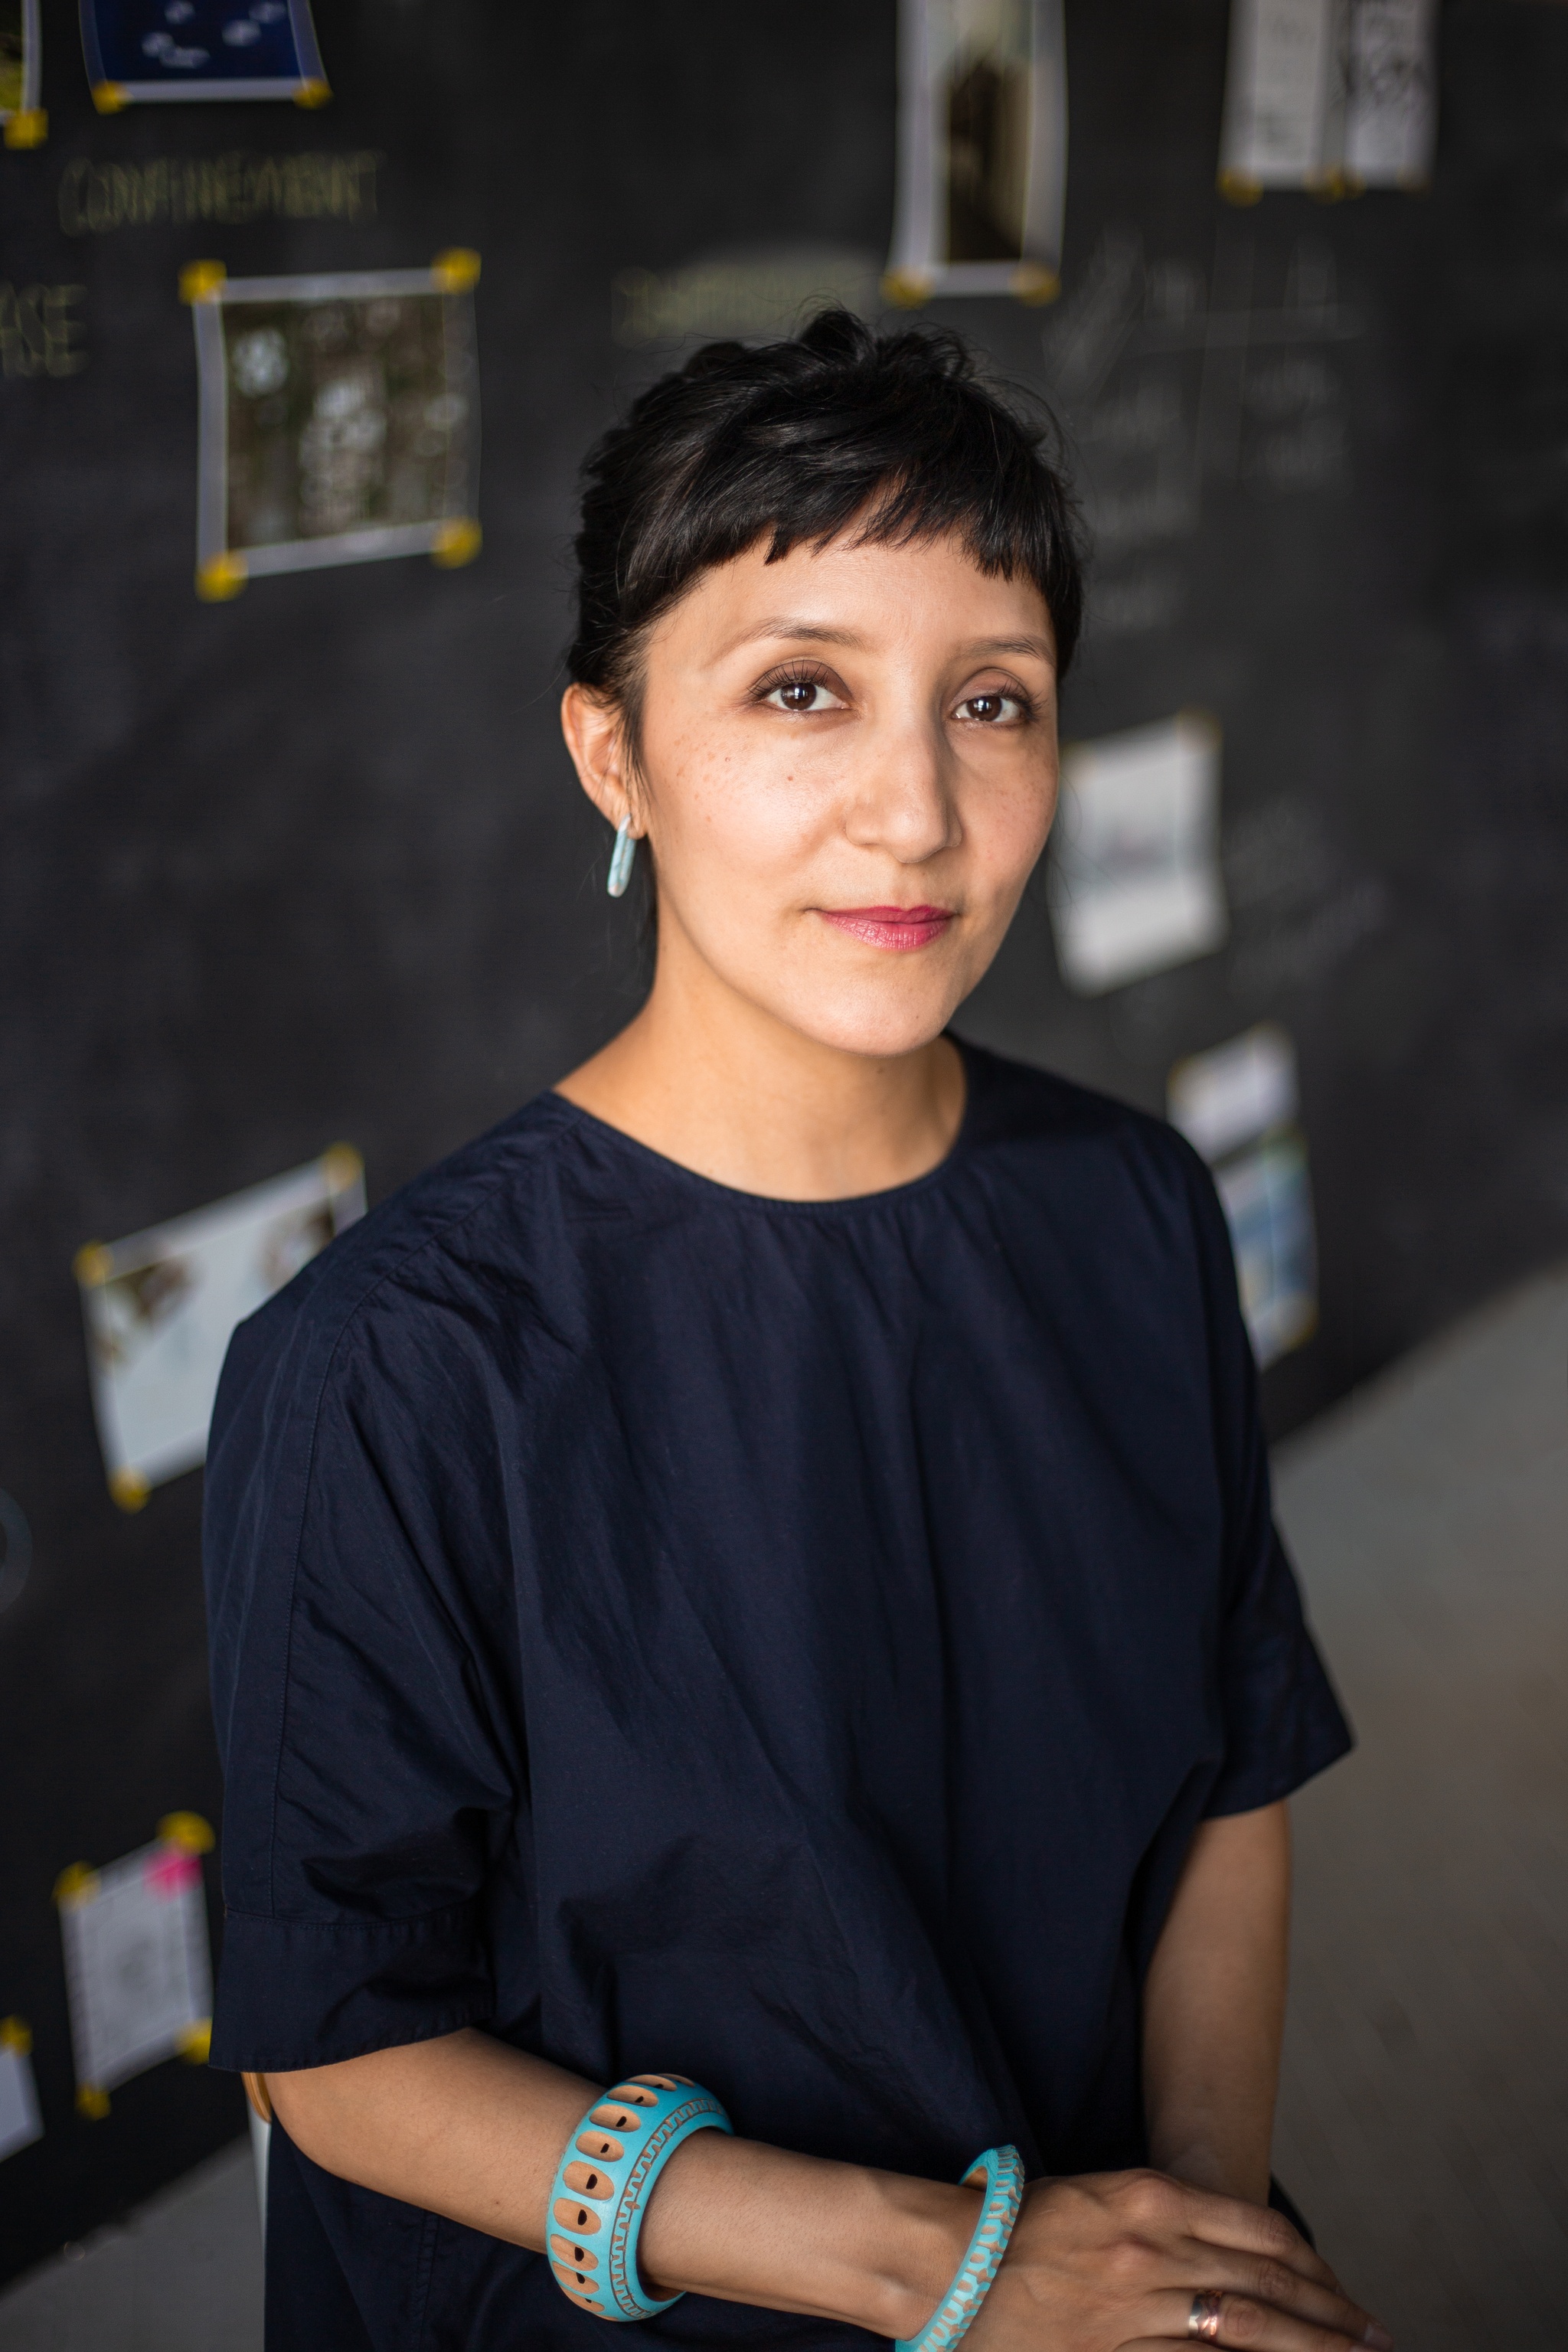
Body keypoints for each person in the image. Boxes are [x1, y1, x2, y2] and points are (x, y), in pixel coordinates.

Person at [204, 311, 1383, 2352]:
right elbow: (342, 2054)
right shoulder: (393, 1364)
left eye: (991, 701)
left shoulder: (1134, 1206)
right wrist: (960, 2278)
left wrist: (1189, 2258)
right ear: (613, 752)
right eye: (803, 691)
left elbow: (1229, 1781)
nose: (913, 812)